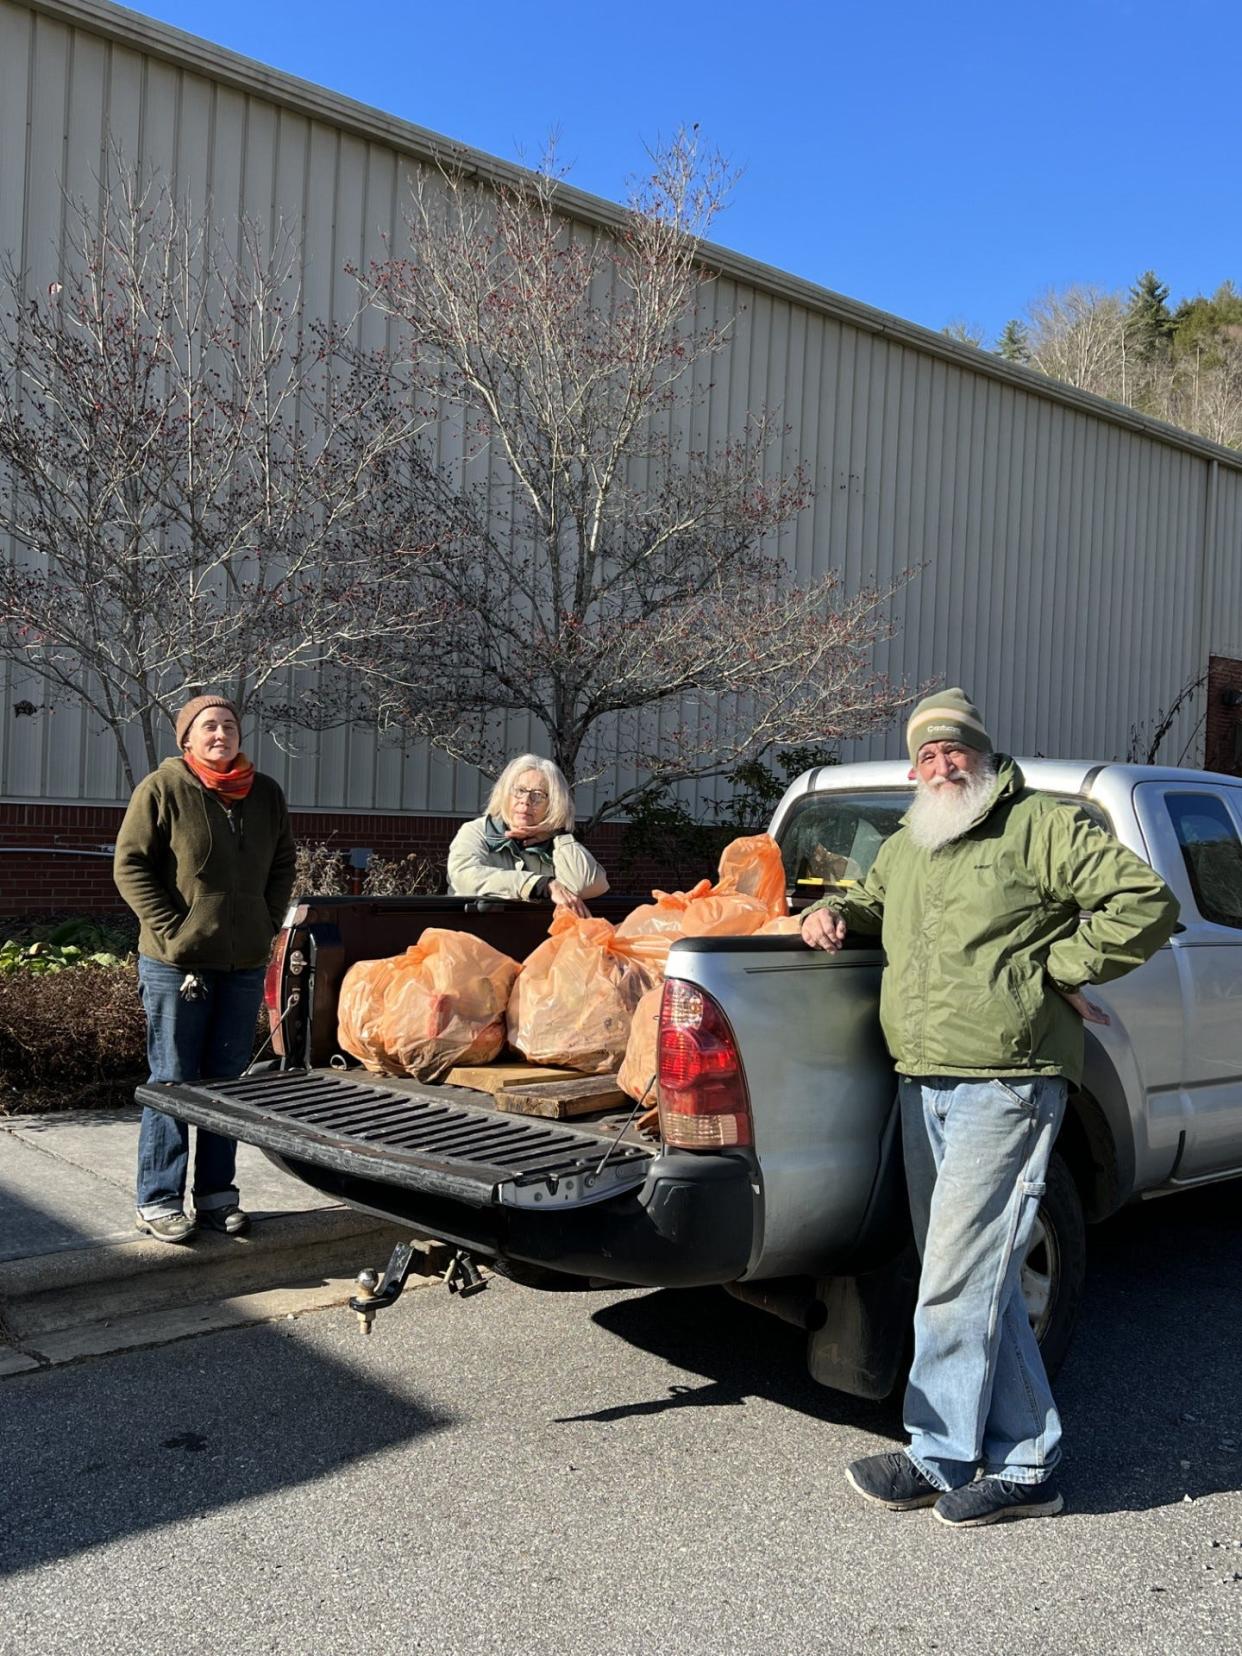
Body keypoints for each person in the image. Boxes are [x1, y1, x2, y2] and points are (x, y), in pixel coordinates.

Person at [802, 688, 1179, 1527]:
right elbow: (871, 898)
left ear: (984, 753)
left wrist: (1059, 969)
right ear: (915, 769)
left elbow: (1146, 904)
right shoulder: (911, 842)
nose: (943, 765)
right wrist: (832, 910)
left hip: (1007, 1079)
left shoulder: (1042, 826)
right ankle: (1029, 1465)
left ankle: (937, 1452)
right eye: (928, 755)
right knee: (982, 1277)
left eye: (956, 750)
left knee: (954, 1277)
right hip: (923, 1076)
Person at [114, 694, 296, 1244]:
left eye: (229, 725)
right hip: (178, 965)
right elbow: (131, 864)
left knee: (228, 1087)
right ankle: (158, 1199)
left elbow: (283, 861)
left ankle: (218, 1196)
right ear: (186, 739)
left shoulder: (264, 794)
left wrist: (266, 922)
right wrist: (174, 930)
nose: (221, 733)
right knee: (174, 1080)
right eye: (208, 726)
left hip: (241, 963)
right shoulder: (163, 788)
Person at [447, 753, 608, 917]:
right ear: (505, 793)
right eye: (519, 790)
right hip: (476, 934)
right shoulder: (475, 831)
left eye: (538, 795)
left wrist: (558, 833)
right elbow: (464, 877)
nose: (526, 800)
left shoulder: (558, 842)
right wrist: (541, 884)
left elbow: (586, 884)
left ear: (554, 804)